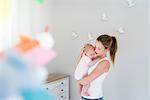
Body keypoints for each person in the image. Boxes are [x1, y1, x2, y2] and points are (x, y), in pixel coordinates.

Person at [76, 34, 118, 100]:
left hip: (94, 97)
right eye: (95, 47)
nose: (95, 50)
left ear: (107, 49)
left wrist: (78, 81)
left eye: (99, 48)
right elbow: (80, 66)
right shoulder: (94, 57)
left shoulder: (105, 63)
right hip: (86, 97)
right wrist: (81, 54)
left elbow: (86, 80)